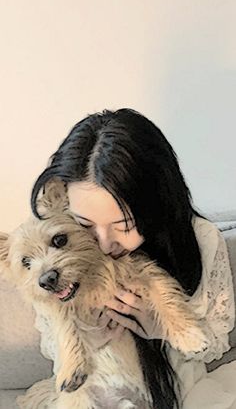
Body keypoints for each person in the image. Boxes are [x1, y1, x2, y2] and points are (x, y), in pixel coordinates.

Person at [31, 108, 236, 409]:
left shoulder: (202, 239)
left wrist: (162, 329)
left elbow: (216, 344)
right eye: (84, 224)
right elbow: (53, 348)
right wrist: (90, 337)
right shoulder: (56, 253)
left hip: (182, 390)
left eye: (124, 225)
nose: (103, 243)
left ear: (157, 204)